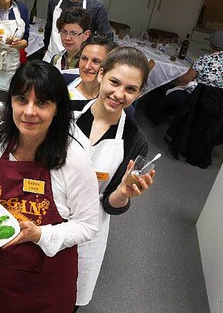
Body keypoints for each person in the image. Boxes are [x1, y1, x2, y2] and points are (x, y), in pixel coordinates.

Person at [0, 60, 100, 312]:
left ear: (57, 109)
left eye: (42, 103)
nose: (29, 111)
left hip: (46, 284)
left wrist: (40, 234)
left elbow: (88, 226)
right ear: (11, 101)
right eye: (22, 99)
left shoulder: (74, 159)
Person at [72, 46, 156, 308]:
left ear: (139, 93)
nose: (119, 94)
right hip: (46, 214)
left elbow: (110, 203)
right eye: (114, 82)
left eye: (130, 89)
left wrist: (123, 193)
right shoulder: (65, 113)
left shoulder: (134, 140)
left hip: (89, 227)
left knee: (68, 297)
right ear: (100, 75)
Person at [146, 30, 223, 124]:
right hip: (215, 101)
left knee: (167, 88)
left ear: (211, 43)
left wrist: (176, 77)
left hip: (197, 97)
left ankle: (155, 116)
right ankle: (173, 116)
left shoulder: (204, 59)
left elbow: (185, 79)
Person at [67, 34, 115, 102]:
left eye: (96, 61)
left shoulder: (112, 101)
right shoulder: (65, 80)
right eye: (84, 58)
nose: (87, 66)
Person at [49, 7, 91, 73]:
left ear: (86, 34)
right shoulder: (56, 59)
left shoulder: (90, 63)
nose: (67, 38)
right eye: (64, 32)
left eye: (73, 33)